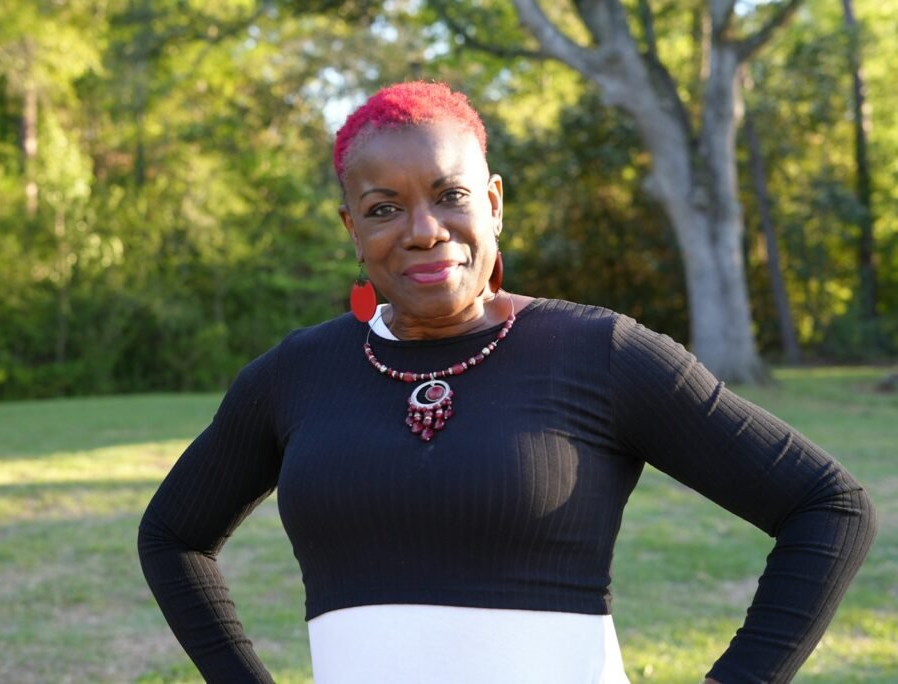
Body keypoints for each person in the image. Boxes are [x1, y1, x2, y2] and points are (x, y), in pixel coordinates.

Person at [138, 81, 877, 683]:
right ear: (351, 230)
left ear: (492, 202)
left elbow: (827, 505)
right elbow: (173, 535)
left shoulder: (600, 352)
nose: (423, 229)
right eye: (383, 209)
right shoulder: (296, 374)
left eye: (449, 195)